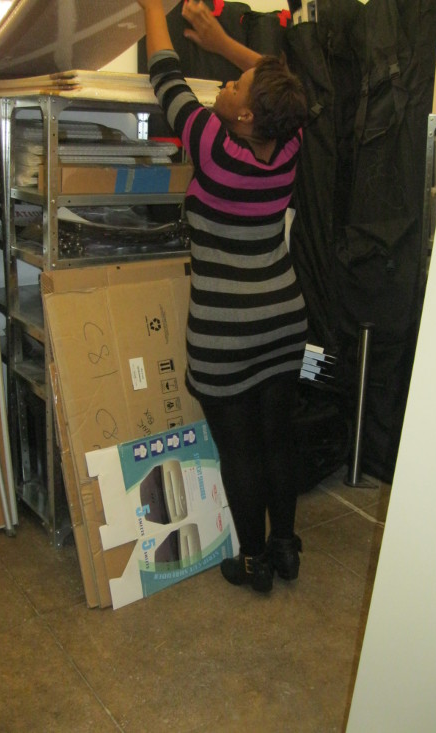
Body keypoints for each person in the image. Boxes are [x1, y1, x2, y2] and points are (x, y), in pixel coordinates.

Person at [137, 0, 308, 593]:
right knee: (278, 438)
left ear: (241, 116)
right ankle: (286, 548)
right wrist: (220, 42)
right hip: (285, 319)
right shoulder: (287, 140)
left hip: (224, 333)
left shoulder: (212, 144)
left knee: (240, 452)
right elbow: (282, 84)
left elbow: (164, 72)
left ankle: (254, 561)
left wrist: (151, 9)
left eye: (235, 85)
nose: (229, 82)